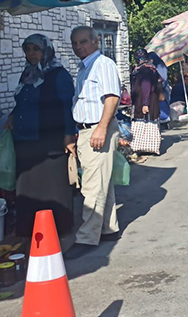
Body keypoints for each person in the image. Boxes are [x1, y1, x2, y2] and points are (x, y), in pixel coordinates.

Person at [9, 34, 76, 237]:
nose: (31, 54)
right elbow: (22, 101)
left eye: (35, 49)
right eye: (28, 50)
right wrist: (12, 116)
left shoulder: (58, 74)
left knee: (51, 185)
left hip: (50, 139)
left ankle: (58, 227)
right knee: (27, 183)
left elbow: (67, 106)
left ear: (46, 50)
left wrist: (69, 134)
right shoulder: (28, 74)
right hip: (24, 139)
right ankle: (29, 227)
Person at [65, 26, 122, 259]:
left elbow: (112, 97)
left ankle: (87, 238)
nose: (79, 46)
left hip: (99, 128)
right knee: (101, 183)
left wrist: (101, 127)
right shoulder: (84, 68)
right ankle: (108, 228)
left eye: (83, 42)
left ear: (96, 41)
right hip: (88, 130)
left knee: (91, 186)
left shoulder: (102, 64)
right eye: (75, 43)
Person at [130, 64, 163, 155]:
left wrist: (145, 104)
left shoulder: (145, 72)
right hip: (150, 100)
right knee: (148, 122)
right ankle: (149, 146)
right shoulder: (152, 69)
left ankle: (142, 147)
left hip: (145, 101)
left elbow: (146, 87)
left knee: (145, 122)